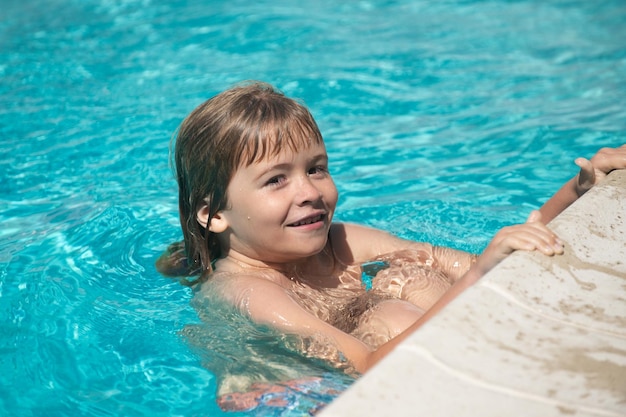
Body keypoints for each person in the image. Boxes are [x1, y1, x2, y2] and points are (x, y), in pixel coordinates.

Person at [157, 81, 626, 377]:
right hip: (320, 395)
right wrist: (478, 278)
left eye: (316, 168)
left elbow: (499, 259)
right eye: (276, 179)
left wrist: (578, 190)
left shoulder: (339, 242)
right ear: (212, 213)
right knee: (393, 314)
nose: (309, 192)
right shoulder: (245, 291)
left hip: (413, 356)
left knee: (412, 275)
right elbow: (365, 368)